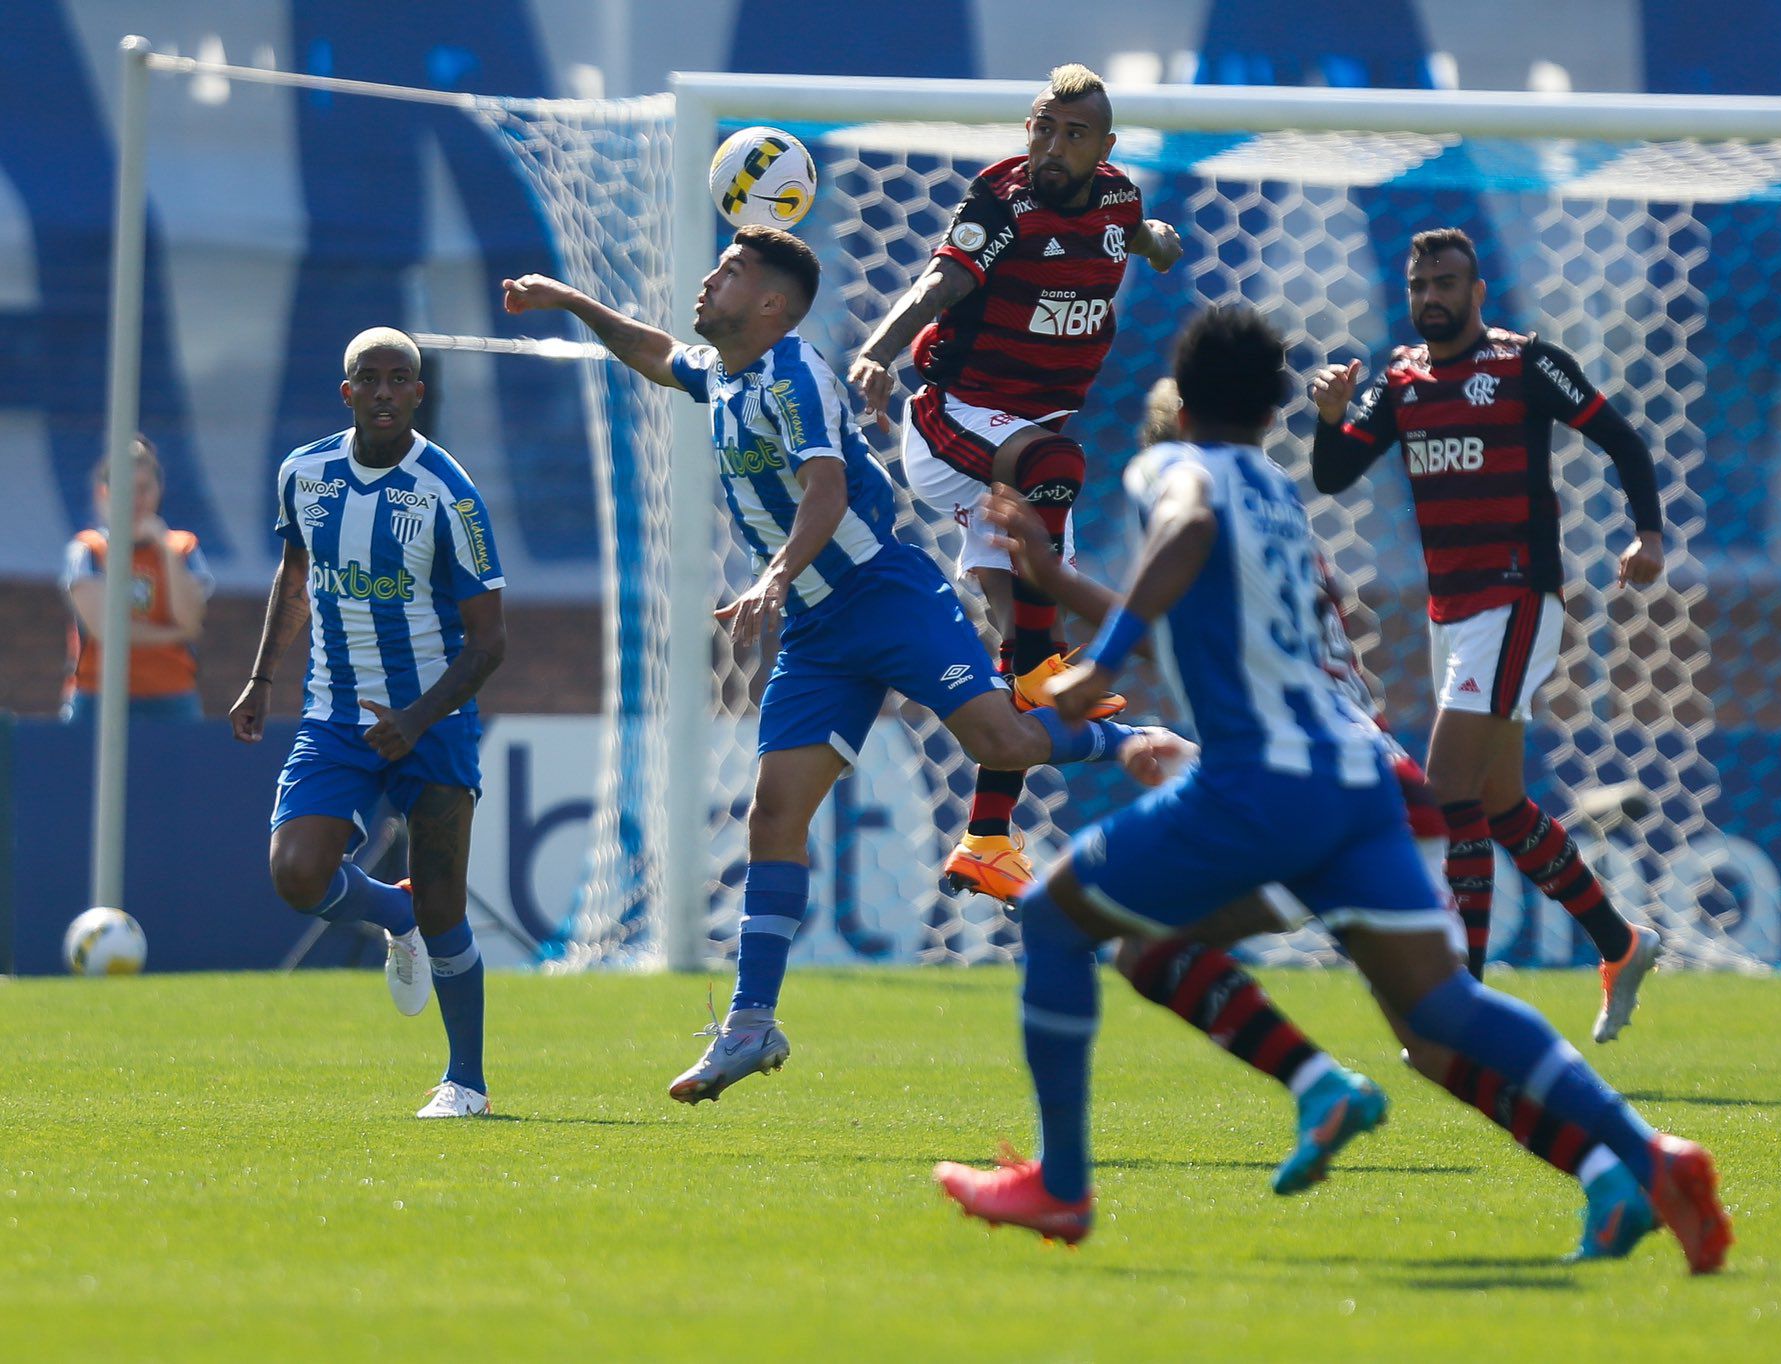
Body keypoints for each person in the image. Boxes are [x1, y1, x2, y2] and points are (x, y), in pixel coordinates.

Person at [936, 306, 1731, 1278]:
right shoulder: (1275, 491)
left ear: (1180, 404)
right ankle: (1647, 1155)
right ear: (1275, 406)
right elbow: (1199, 601)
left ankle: (1062, 1182)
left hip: (1259, 785)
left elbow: (1181, 531)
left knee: (1060, 919)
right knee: (1440, 1010)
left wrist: (1089, 661)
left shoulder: (1168, 472)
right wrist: (1065, 582)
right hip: (1356, 782)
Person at [502, 225, 1166, 1106]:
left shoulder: (797, 373)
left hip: (883, 593)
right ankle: (751, 1025)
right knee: (773, 817)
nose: (707, 281)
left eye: (730, 272)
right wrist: (570, 301)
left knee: (1001, 743)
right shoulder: (725, 374)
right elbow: (657, 352)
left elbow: (828, 489)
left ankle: (1126, 739)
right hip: (817, 631)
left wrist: (773, 573)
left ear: (772, 305)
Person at [1308, 227, 1666, 1042]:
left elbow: (1621, 439)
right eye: (1420, 285)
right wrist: (1330, 418)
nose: (1431, 297)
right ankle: (1622, 944)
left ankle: (1459, 1004)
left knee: (1447, 790)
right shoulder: (1399, 379)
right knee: (1500, 805)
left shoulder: (1523, 363)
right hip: (1451, 612)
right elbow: (1335, 474)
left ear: (1477, 293)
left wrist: (1648, 533)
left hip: (1517, 597)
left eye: (1447, 283)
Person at [846, 63, 1183, 905]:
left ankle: (988, 838)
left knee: (1020, 620)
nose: (1052, 147)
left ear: (1104, 148)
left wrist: (1158, 240)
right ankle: (1040, 670)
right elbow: (945, 282)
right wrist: (878, 351)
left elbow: (1133, 232)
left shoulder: (1117, 200)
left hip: (1023, 452)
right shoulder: (1001, 201)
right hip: (951, 418)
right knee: (1059, 472)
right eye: (1042, 127)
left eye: (1074, 135)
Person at [230, 327, 506, 1119]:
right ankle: (395, 913)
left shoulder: (450, 494)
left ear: (419, 395)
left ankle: (467, 1084)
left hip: (435, 718)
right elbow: (294, 576)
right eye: (369, 379)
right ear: (346, 392)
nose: (384, 391)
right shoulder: (304, 474)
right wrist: (260, 679)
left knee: (448, 905)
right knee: (296, 873)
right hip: (337, 716)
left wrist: (418, 718)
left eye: (400, 379)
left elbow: (492, 640)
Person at [61, 435, 213, 726]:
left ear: (159, 489)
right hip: (97, 694)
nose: (136, 499)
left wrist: (166, 549)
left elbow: (190, 619)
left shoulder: (184, 548)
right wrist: (174, 634)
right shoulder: (89, 549)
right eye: (125, 489)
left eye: (144, 488)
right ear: (106, 492)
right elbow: (107, 630)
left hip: (173, 696)